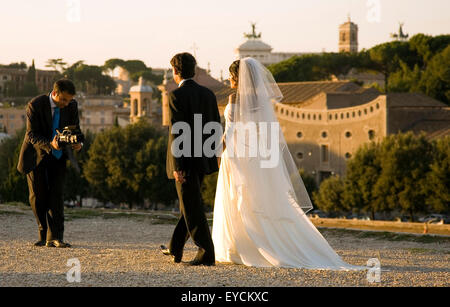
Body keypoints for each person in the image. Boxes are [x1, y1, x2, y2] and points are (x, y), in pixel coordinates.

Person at [212, 58, 366, 270]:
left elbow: (230, 131)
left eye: (230, 75)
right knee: (255, 198)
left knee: (237, 197)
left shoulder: (234, 98)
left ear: (238, 78)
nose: (228, 79)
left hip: (237, 155)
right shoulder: (260, 100)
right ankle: (257, 245)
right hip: (255, 156)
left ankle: (237, 246)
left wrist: (219, 152)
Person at [160, 52, 221, 266]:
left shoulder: (176, 95)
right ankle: (174, 247)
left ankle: (206, 253)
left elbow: (178, 131)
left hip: (184, 162)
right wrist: (210, 156)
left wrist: (178, 165)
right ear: (193, 70)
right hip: (203, 159)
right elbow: (215, 126)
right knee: (190, 205)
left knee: (192, 207)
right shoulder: (208, 94)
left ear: (176, 72)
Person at [17, 79, 83, 248]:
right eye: (64, 100)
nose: (67, 103)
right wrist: (50, 144)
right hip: (36, 155)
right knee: (38, 197)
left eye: (69, 100)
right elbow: (31, 135)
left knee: (56, 196)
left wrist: (78, 143)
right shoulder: (35, 105)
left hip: (59, 156)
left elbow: (76, 130)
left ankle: (56, 237)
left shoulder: (72, 105)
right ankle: (42, 233)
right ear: (55, 94)